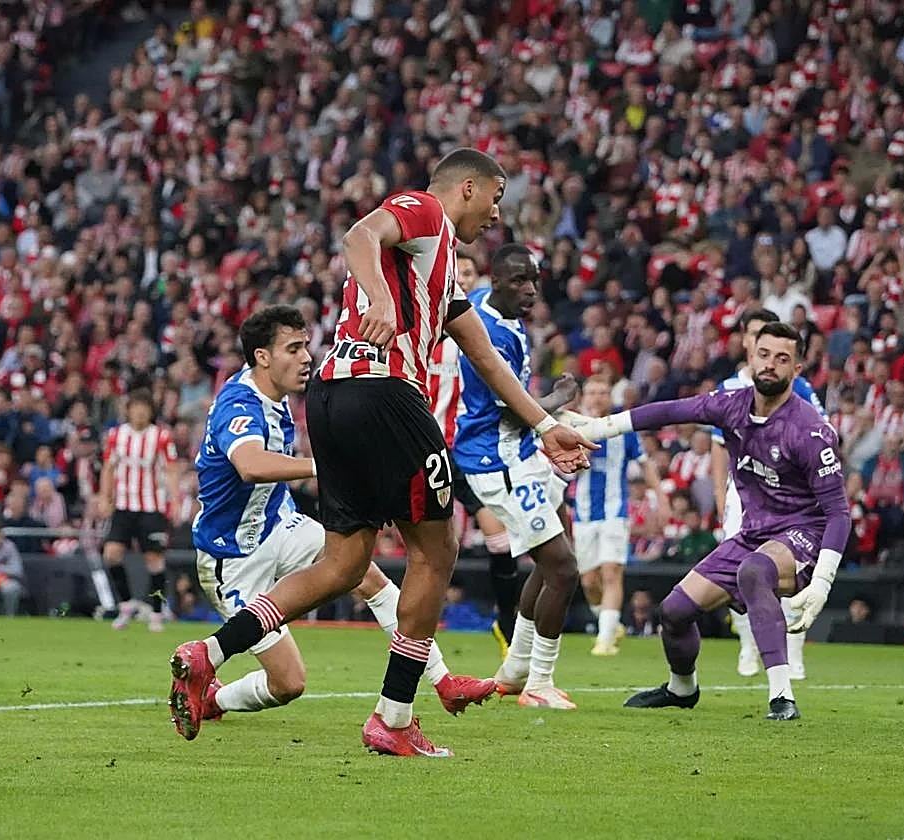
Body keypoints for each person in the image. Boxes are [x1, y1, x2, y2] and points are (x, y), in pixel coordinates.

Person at [168, 148, 593, 758]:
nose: (497, 216)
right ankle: (394, 717)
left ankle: (208, 653)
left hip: (333, 398)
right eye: (496, 199)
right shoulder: (425, 212)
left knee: (343, 565)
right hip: (385, 392)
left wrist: (545, 424)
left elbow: (486, 358)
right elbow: (360, 234)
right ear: (467, 188)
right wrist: (381, 299)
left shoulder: (440, 274)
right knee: (437, 548)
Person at [178, 306, 494, 729]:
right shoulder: (240, 402)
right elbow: (251, 464)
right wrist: (326, 466)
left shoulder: (282, 398)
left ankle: (442, 679)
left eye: (306, 345)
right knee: (289, 683)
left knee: (369, 576)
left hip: (281, 526)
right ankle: (214, 698)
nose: (307, 357)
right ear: (262, 356)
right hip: (232, 555)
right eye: (293, 348)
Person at [567, 323, 849, 720]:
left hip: (802, 534)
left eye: (782, 359)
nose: (770, 365)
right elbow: (669, 411)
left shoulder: (812, 431)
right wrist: (600, 426)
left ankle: (781, 696)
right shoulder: (730, 404)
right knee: (674, 612)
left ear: (797, 369)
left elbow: (838, 512)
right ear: (751, 357)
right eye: (764, 355)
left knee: (755, 571)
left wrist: (822, 581)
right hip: (754, 532)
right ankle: (682, 688)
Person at [454, 243, 584, 709]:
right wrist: (559, 398)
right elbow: (511, 407)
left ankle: (514, 672)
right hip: (498, 460)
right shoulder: (489, 330)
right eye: (517, 281)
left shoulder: (496, 311)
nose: (528, 289)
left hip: (520, 453)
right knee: (564, 568)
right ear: (496, 278)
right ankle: (539, 683)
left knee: (551, 560)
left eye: (533, 280)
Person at [710, 309, 825, 679]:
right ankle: (748, 647)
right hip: (741, 495)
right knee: (736, 573)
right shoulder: (729, 388)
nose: (771, 358)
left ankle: (794, 651)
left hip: (789, 495)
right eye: (759, 339)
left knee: (787, 571)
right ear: (747, 341)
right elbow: (717, 449)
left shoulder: (799, 388)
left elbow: (821, 435)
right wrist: (719, 497)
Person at [427, 252, 519, 654]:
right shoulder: (425, 333)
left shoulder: (485, 336)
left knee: (500, 537)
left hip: (471, 450)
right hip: (427, 449)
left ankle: (508, 622)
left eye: (468, 273)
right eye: (455, 272)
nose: (461, 278)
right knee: (433, 545)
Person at [565, 377, 654, 656]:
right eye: (592, 392)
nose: (598, 397)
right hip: (584, 514)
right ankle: (608, 621)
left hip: (616, 512)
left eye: (603, 392)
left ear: (610, 397)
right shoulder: (572, 427)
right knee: (589, 581)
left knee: (611, 573)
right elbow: (564, 470)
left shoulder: (622, 429)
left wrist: (660, 498)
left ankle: (604, 639)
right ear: (583, 397)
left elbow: (643, 462)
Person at [99, 389, 181, 632]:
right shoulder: (116, 436)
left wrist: (175, 500)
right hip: (123, 506)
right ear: (128, 410)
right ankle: (126, 605)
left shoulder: (161, 437)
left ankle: (156, 612)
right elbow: (108, 468)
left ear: (151, 411)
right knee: (111, 553)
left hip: (151, 507)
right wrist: (105, 497)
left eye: (144, 407)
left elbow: (171, 469)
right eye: (136, 407)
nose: (140, 412)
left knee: (154, 559)